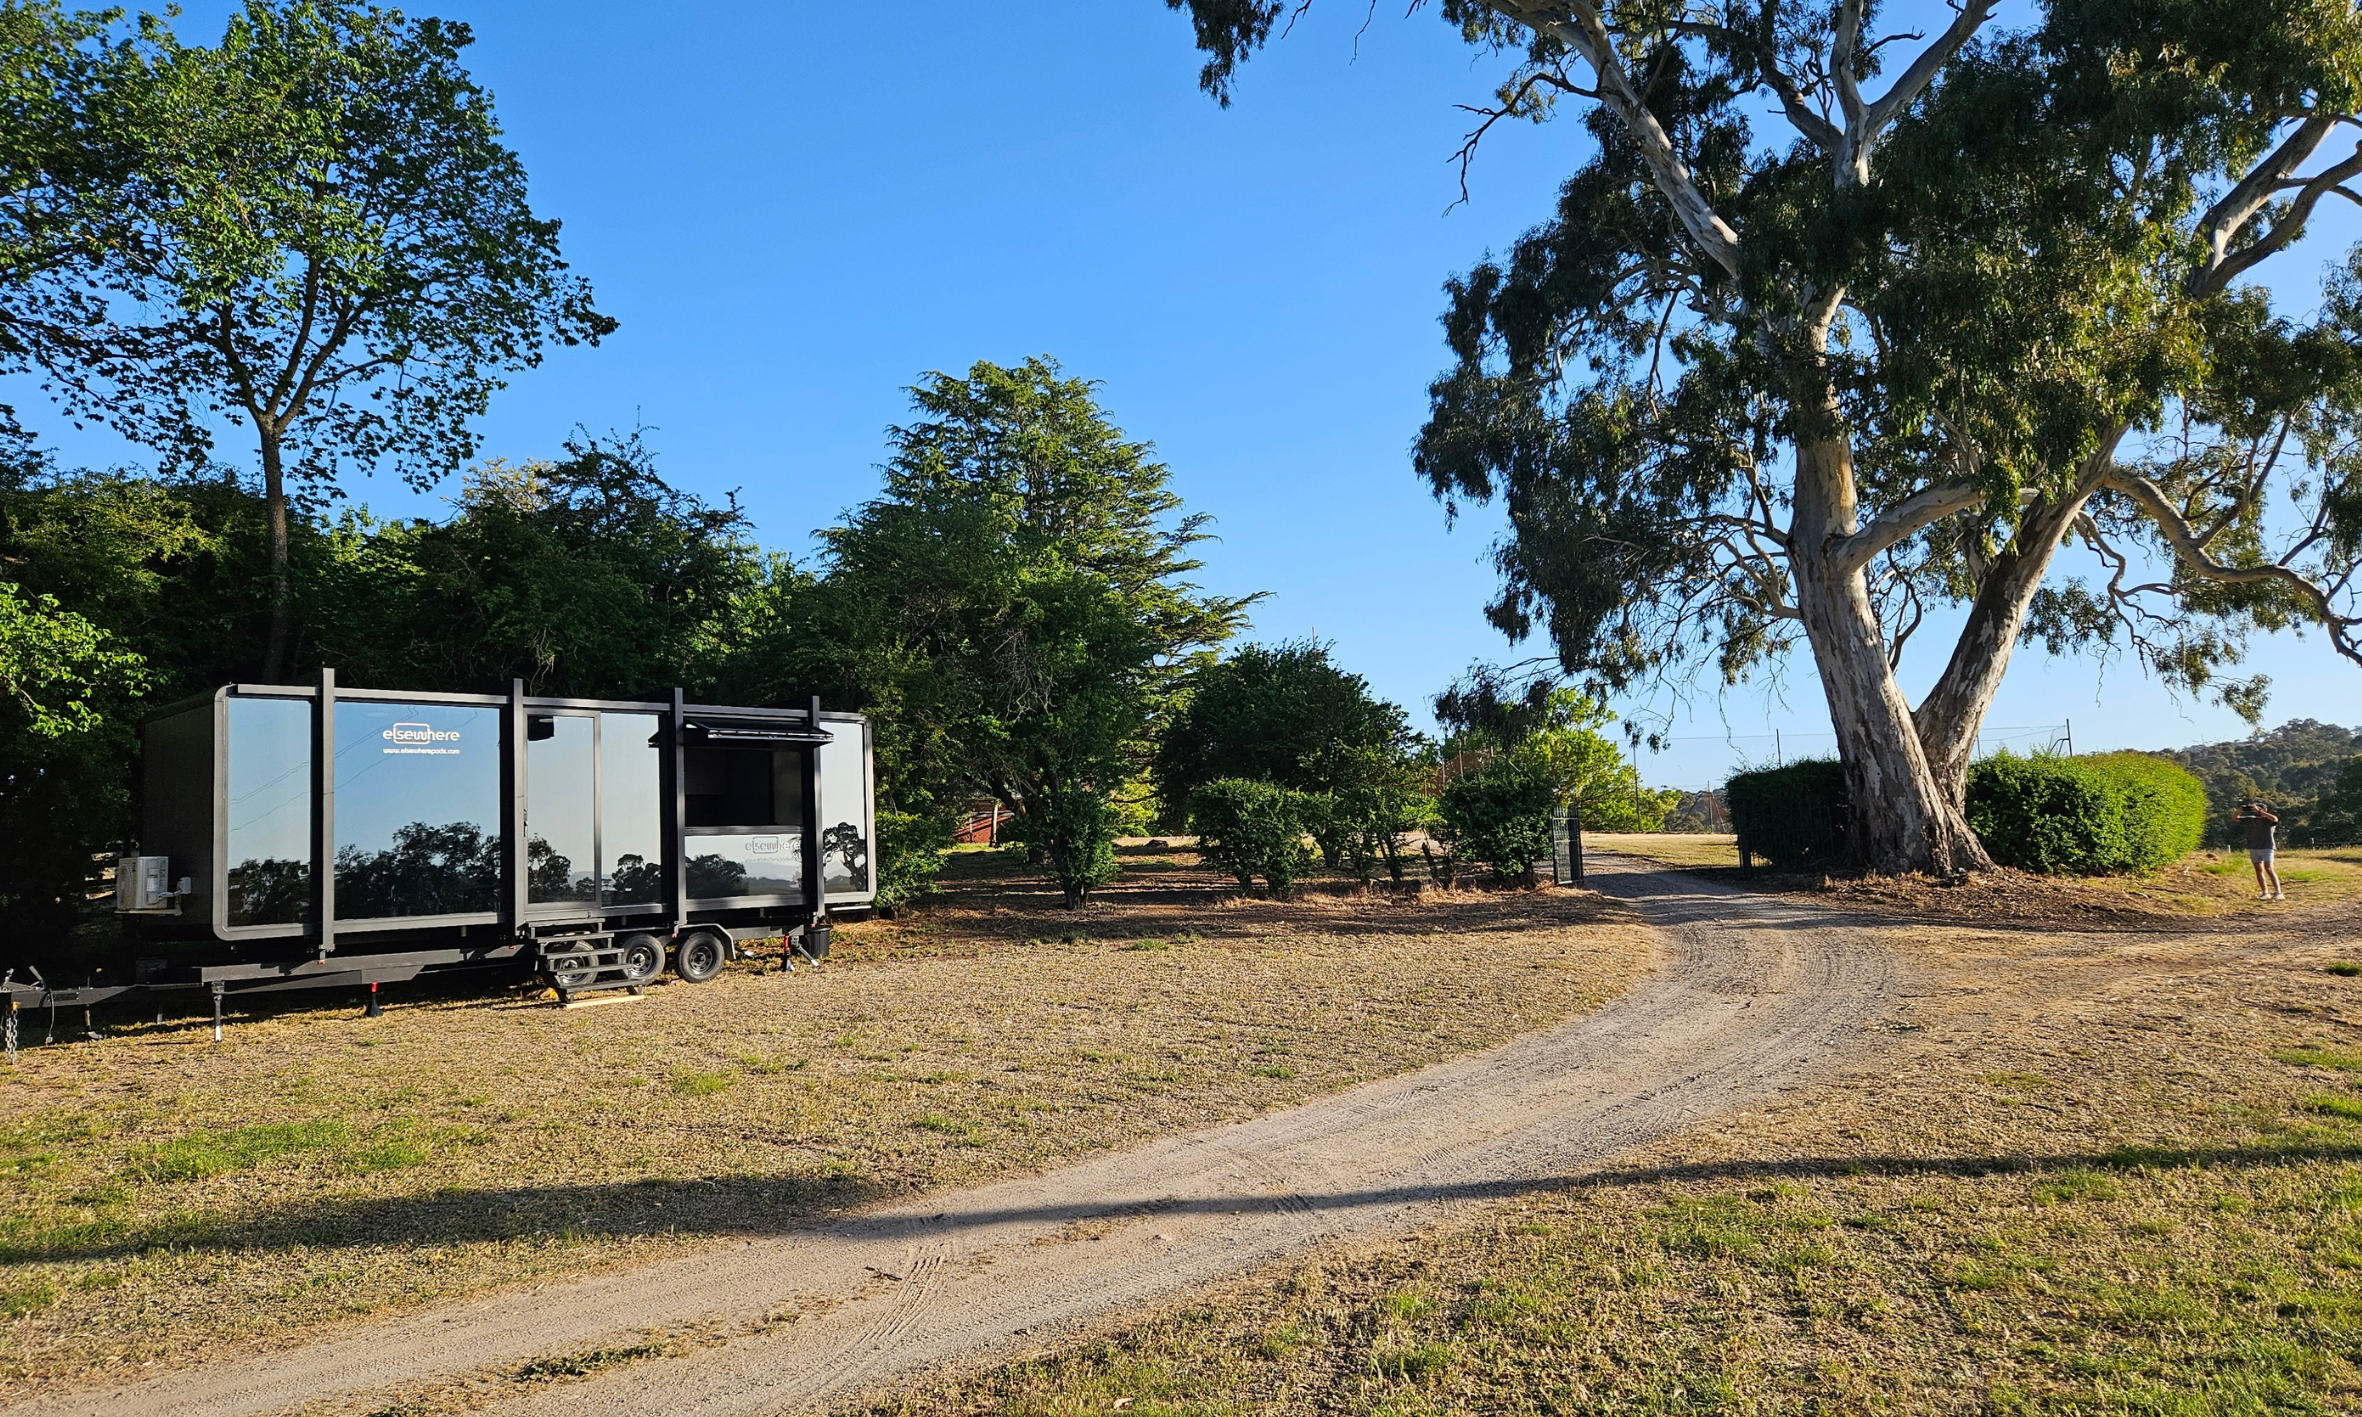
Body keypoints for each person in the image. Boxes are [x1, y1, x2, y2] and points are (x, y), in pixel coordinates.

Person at [2234, 801, 2283, 900]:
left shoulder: (2268, 820)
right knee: (2258, 870)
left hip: (2267, 847)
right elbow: (2235, 818)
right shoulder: (2250, 820)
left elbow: (2275, 819)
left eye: (2258, 808)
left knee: (2269, 868)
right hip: (2254, 847)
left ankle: (2278, 892)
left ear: (2265, 810)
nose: (2255, 811)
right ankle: (2265, 892)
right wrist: (2240, 810)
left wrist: (2261, 812)